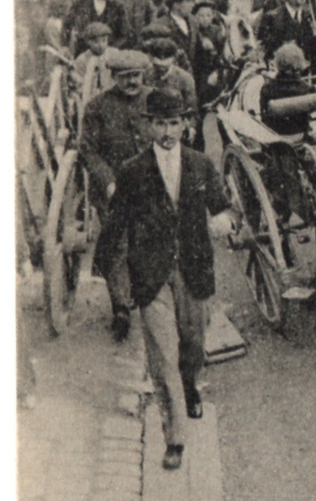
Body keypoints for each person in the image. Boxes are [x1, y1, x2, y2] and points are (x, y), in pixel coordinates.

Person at [102, 87, 234, 470]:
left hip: (192, 269)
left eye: (174, 122)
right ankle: (174, 437)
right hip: (152, 274)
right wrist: (115, 281)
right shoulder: (133, 171)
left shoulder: (200, 164)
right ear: (147, 126)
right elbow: (116, 226)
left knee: (192, 345)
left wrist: (224, 220)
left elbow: (223, 206)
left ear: (186, 124)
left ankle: (192, 386)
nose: (167, 131)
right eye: (159, 123)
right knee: (162, 356)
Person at [81, 49, 151, 340]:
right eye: (125, 77)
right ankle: (121, 308)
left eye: (136, 76)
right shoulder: (98, 106)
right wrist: (108, 182)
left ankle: (149, 295)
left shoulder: (155, 98)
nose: (132, 82)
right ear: (114, 77)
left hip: (151, 184)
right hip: (114, 189)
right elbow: (89, 151)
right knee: (118, 244)